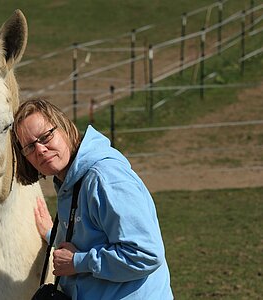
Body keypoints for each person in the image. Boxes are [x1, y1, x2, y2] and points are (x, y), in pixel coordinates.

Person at [12, 98, 173, 299]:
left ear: (64, 127)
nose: (40, 150)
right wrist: (52, 234)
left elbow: (146, 255)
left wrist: (78, 262)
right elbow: (91, 236)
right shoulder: (70, 181)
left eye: (45, 137)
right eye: (29, 147)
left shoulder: (104, 179)